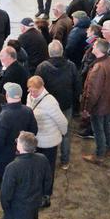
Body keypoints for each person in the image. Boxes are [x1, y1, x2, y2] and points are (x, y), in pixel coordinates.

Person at [36, 40, 81, 171]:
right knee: (65, 133)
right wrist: (74, 100)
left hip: (47, 107)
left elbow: (37, 86)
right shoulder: (71, 66)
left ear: (49, 53)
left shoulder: (42, 67)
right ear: (62, 52)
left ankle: (45, 160)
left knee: (45, 132)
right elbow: (77, 85)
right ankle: (65, 161)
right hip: (66, 104)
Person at [26, 75, 66, 202]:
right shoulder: (30, 96)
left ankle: (46, 195)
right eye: (30, 90)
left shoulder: (50, 102)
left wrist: (63, 133)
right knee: (36, 168)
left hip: (49, 143)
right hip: (36, 140)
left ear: (42, 88)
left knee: (47, 170)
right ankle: (36, 190)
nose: (32, 93)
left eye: (35, 91)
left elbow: (62, 121)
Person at [81, 38, 110, 165]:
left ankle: (99, 155)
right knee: (107, 125)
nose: (92, 47)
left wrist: (86, 108)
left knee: (98, 129)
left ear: (98, 50)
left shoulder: (98, 67)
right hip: (109, 101)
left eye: (94, 46)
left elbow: (92, 92)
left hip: (99, 106)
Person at [0, 82, 38, 182]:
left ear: (7, 95)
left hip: (6, 158)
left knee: (7, 181)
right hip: (24, 154)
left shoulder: (3, 116)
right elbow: (34, 131)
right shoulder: (28, 111)